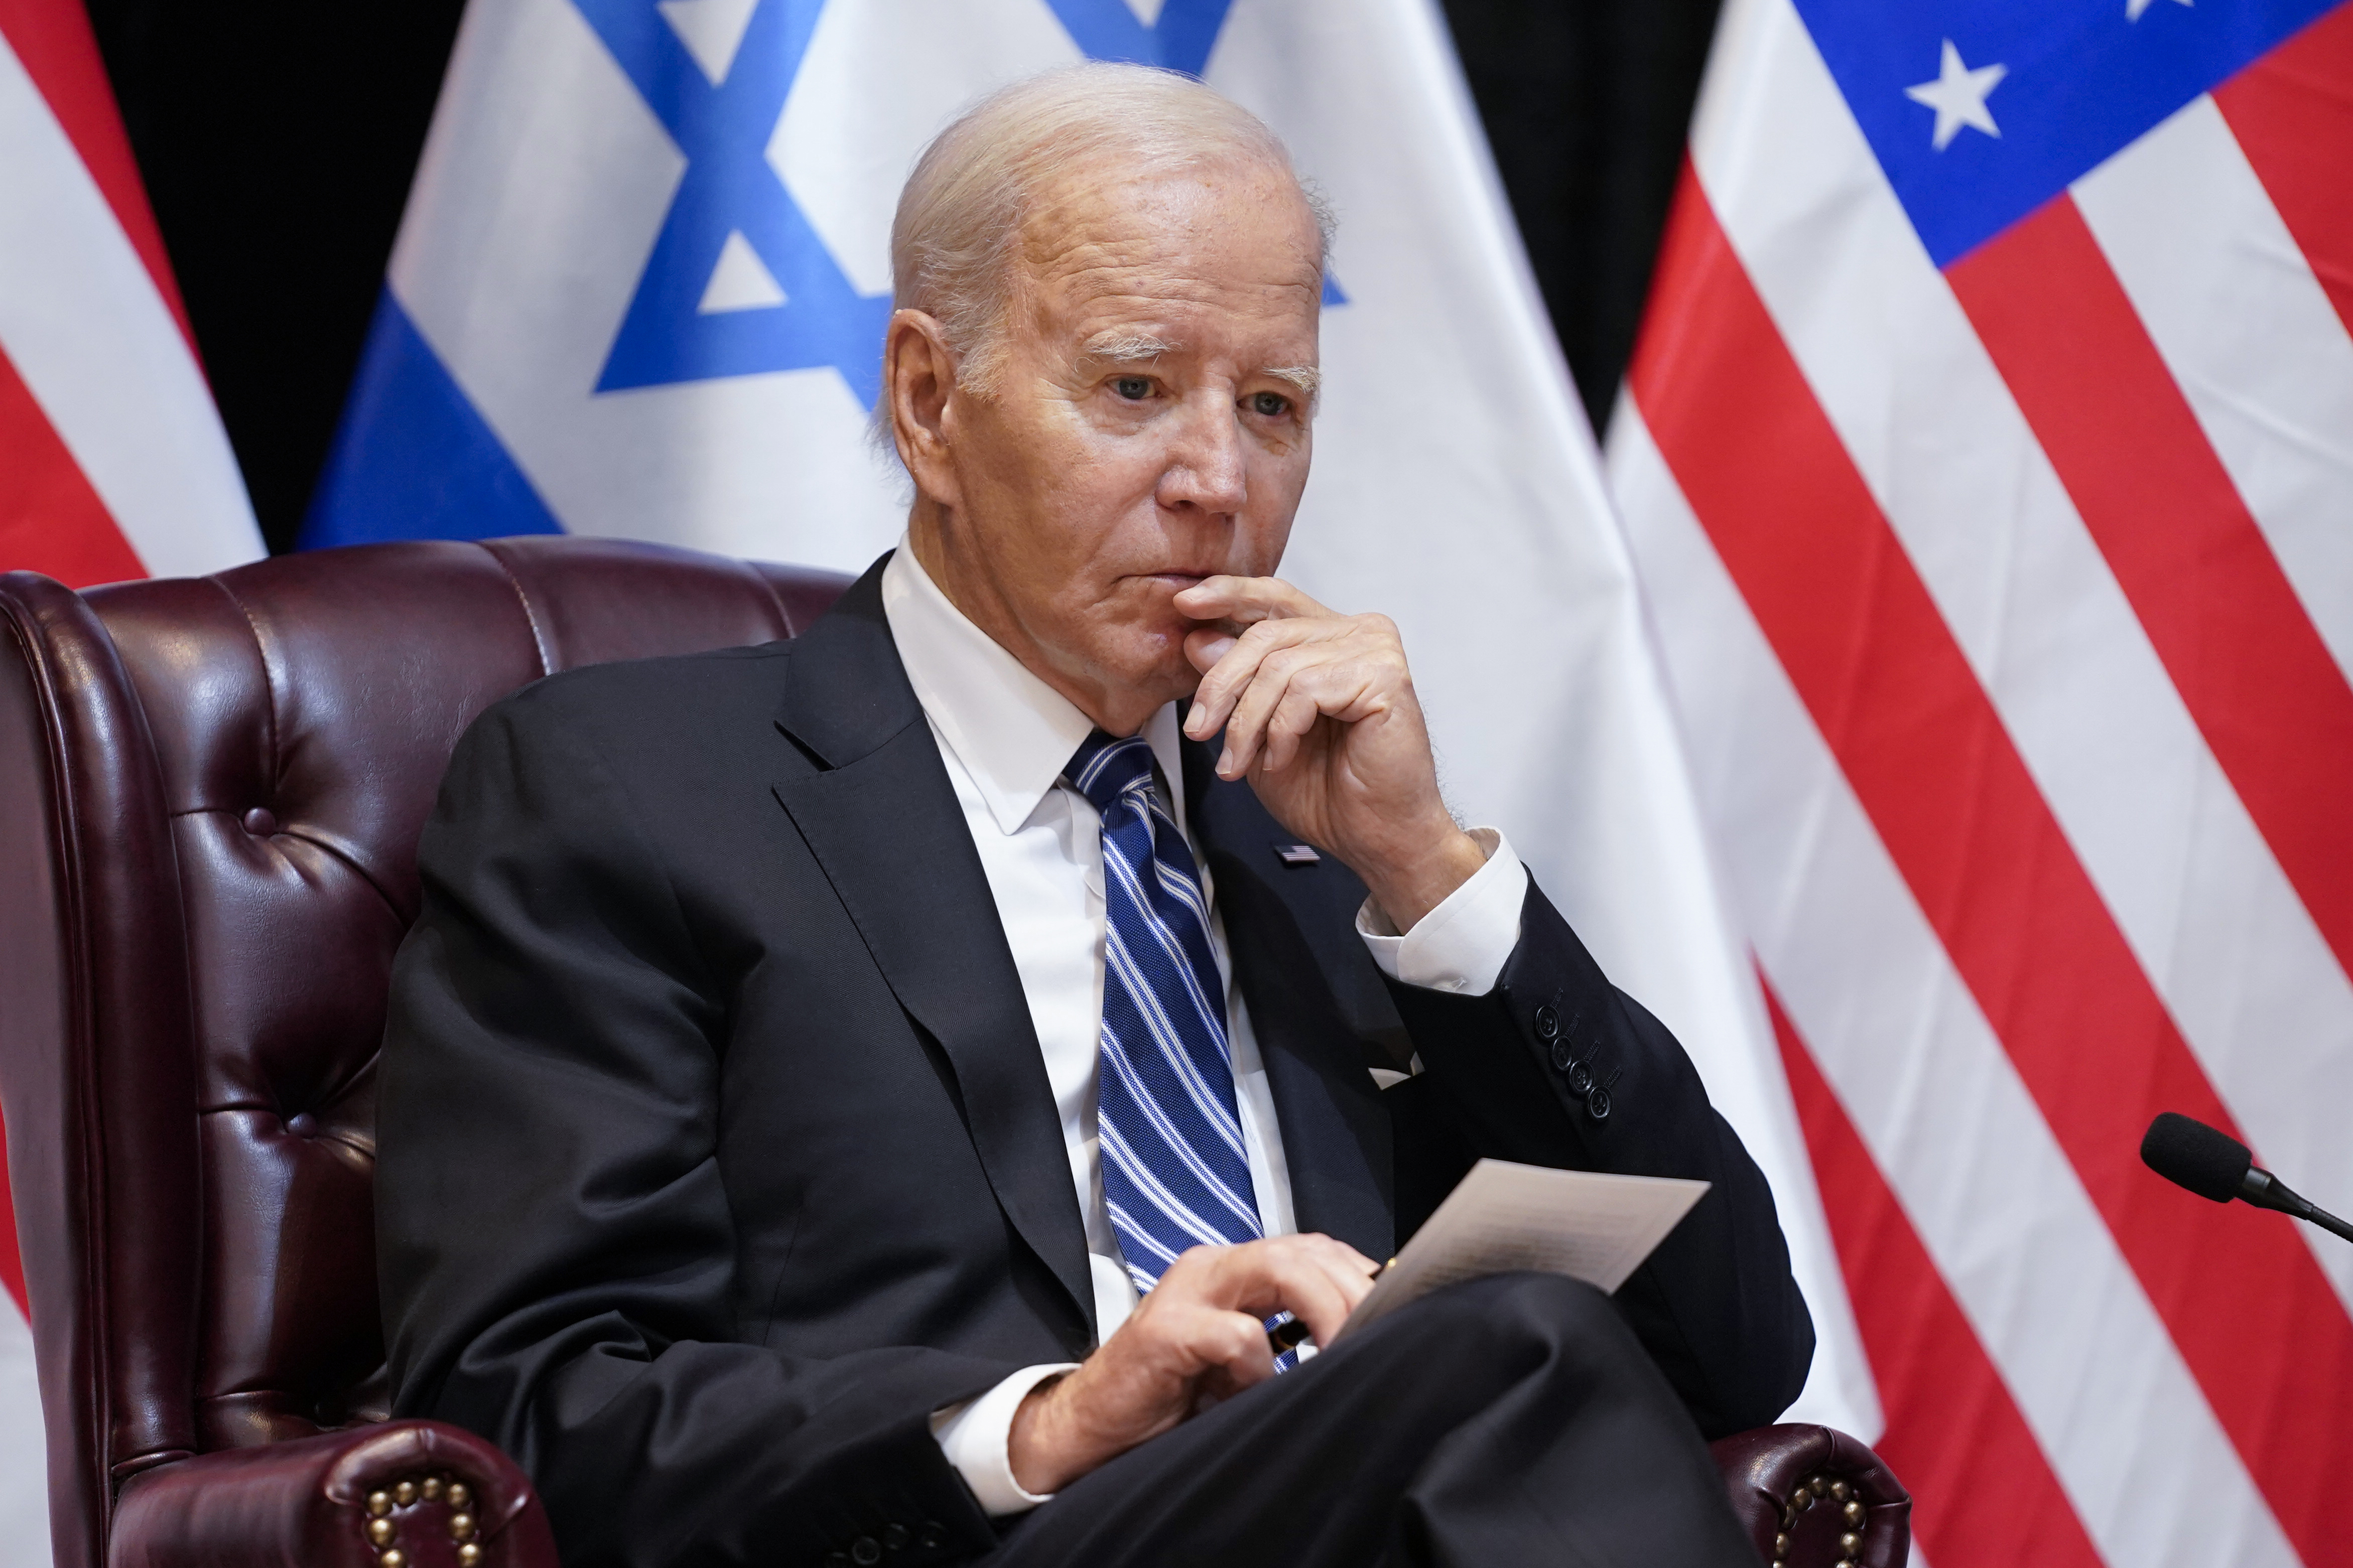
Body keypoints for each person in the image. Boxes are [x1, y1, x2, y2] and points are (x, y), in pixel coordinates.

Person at [375, 62, 1811, 1568]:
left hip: (1363, 1522)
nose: (1218, 481)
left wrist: (1429, 872)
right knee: (1508, 1344)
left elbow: (1727, 1345)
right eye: (1135, 388)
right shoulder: (632, 793)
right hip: (968, 1539)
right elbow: (529, 1409)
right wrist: (1053, 1418)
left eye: (1273, 407)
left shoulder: (1322, 845)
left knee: (1522, 1351)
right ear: (930, 404)